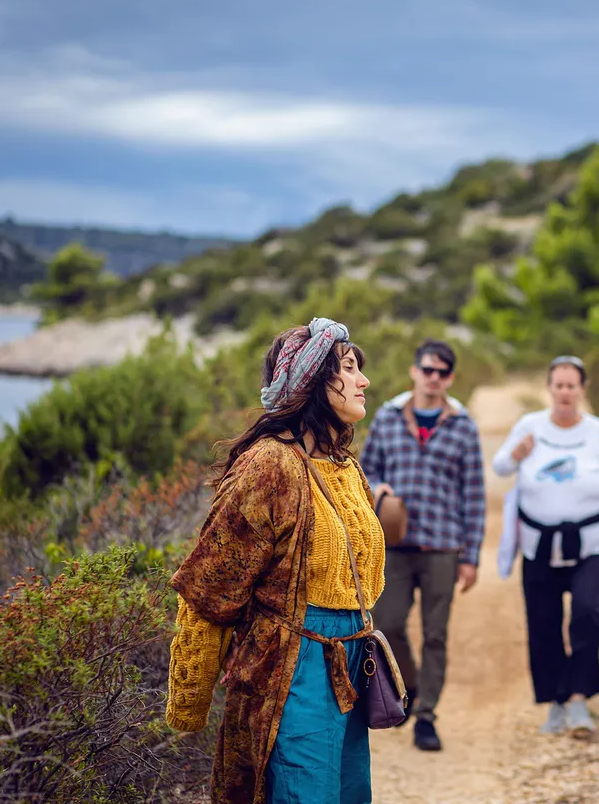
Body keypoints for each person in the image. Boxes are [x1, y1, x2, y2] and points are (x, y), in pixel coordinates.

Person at [164, 318, 387, 804]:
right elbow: (209, 592)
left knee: (351, 794)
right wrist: (190, 701)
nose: (363, 381)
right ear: (311, 382)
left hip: (347, 660)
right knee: (302, 793)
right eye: (349, 369)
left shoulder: (346, 465)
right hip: (292, 667)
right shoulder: (269, 466)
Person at [493, 354, 599, 739]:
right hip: (538, 545)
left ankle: (579, 696)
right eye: (558, 385)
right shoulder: (530, 427)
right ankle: (555, 703)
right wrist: (516, 454)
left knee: (586, 610)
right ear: (549, 388)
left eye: (571, 385)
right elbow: (499, 467)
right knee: (542, 623)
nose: (564, 392)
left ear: (582, 389)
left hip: (593, 543)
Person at [359, 338, 486, 752]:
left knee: (436, 635)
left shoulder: (463, 425)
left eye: (442, 372)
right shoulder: (388, 417)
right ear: (414, 371)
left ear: (450, 378)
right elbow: (366, 467)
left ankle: (426, 717)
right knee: (388, 624)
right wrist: (379, 488)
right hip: (394, 545)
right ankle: (408, 687)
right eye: (427, 370)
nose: (433, 378)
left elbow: (474, 494)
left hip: (444, 548)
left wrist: (471, 556)